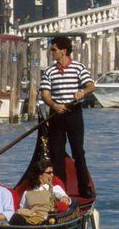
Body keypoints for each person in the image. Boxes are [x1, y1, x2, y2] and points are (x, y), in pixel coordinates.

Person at [40, 35, 96, 198]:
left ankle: (84, 187)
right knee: (56, 153)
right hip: (56, 114)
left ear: (63, 51)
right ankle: (60, 189)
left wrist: (82, 92)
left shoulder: (78, 67)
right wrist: (54, 105)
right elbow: (45, 94)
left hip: (74, 113)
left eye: (53, 49)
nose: (51, 52)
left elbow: (91, 86)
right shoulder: (49, 71)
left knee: (78, 151)